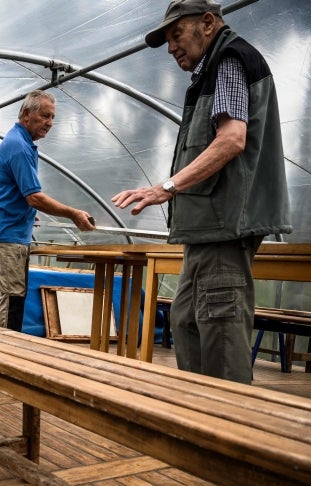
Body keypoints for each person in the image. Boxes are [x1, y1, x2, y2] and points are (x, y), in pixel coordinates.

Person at [112, 0, 291, 384]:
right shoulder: (210, 70)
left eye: (176, 35)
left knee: (220, 330)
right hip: (205, 230)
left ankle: (225, 430)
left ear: (207, 24)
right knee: (188, 318)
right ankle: (196, 414)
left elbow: (231, 140)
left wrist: (168, 187)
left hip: (225, 226)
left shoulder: (228, 60)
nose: (172, 47)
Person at [0, 90, 96, 331]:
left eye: (52, 117)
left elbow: (13, 192)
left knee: (6, 298)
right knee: (13, 300)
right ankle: (4, 357)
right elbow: (34, 197)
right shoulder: (18, 146)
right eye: (44, 116)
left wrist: (26, 209)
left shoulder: (20, 142)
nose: (49, 123)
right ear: (25, 113)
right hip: (5, 234)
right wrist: (73, 214)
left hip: (6, 229)